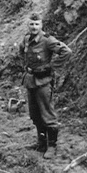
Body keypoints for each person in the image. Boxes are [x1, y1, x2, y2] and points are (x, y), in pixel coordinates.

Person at [17, 12, 72, 158]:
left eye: (37, 24)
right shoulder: (27, 39)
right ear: (28, 25)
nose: (34, 27)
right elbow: (21, 51)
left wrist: (51, 66)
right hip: (30, 81)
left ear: (41, 25)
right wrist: (27, 66)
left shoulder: (48, 40)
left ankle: (52, 146)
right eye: (31, 24)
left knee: (47, 114)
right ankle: (41, 143)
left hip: (43, 82)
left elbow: (66, 52)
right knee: (35, 114)